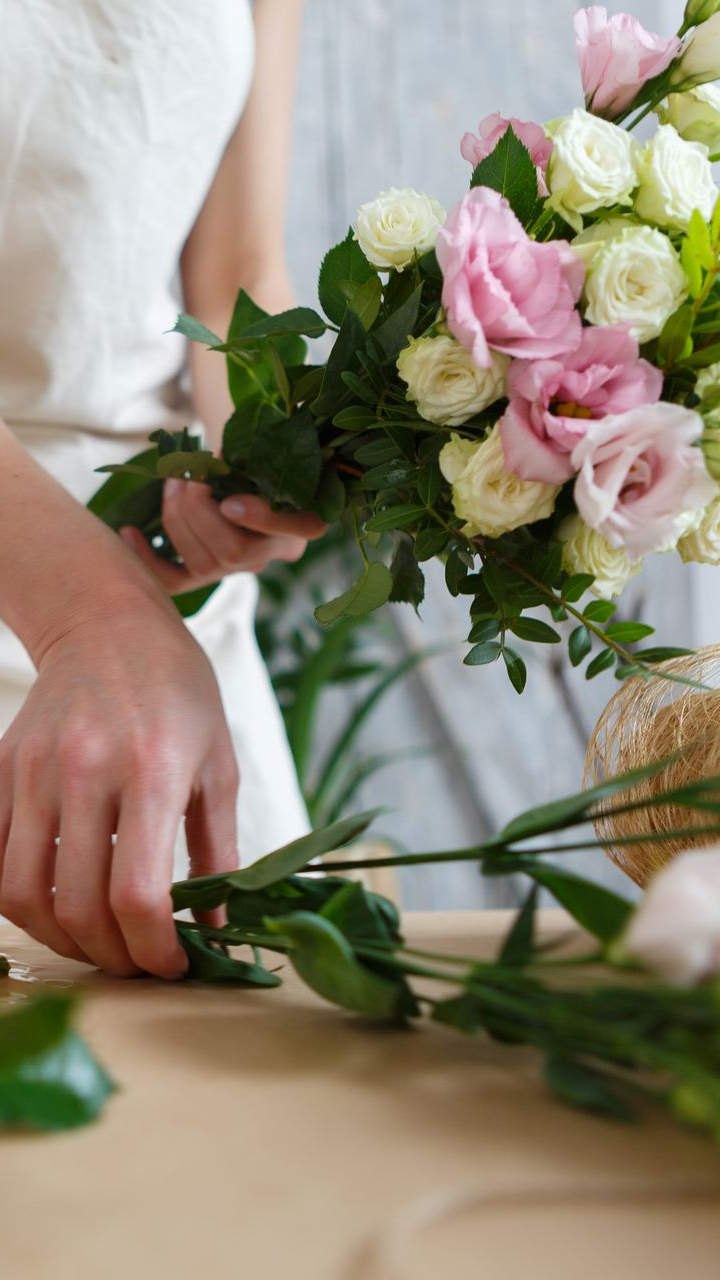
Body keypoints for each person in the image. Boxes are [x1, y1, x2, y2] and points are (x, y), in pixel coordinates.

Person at [0, 0, 324, 980]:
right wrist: (89, 617)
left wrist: (261, 465)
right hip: (93, 616)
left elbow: (232, 272)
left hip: (165, 630)